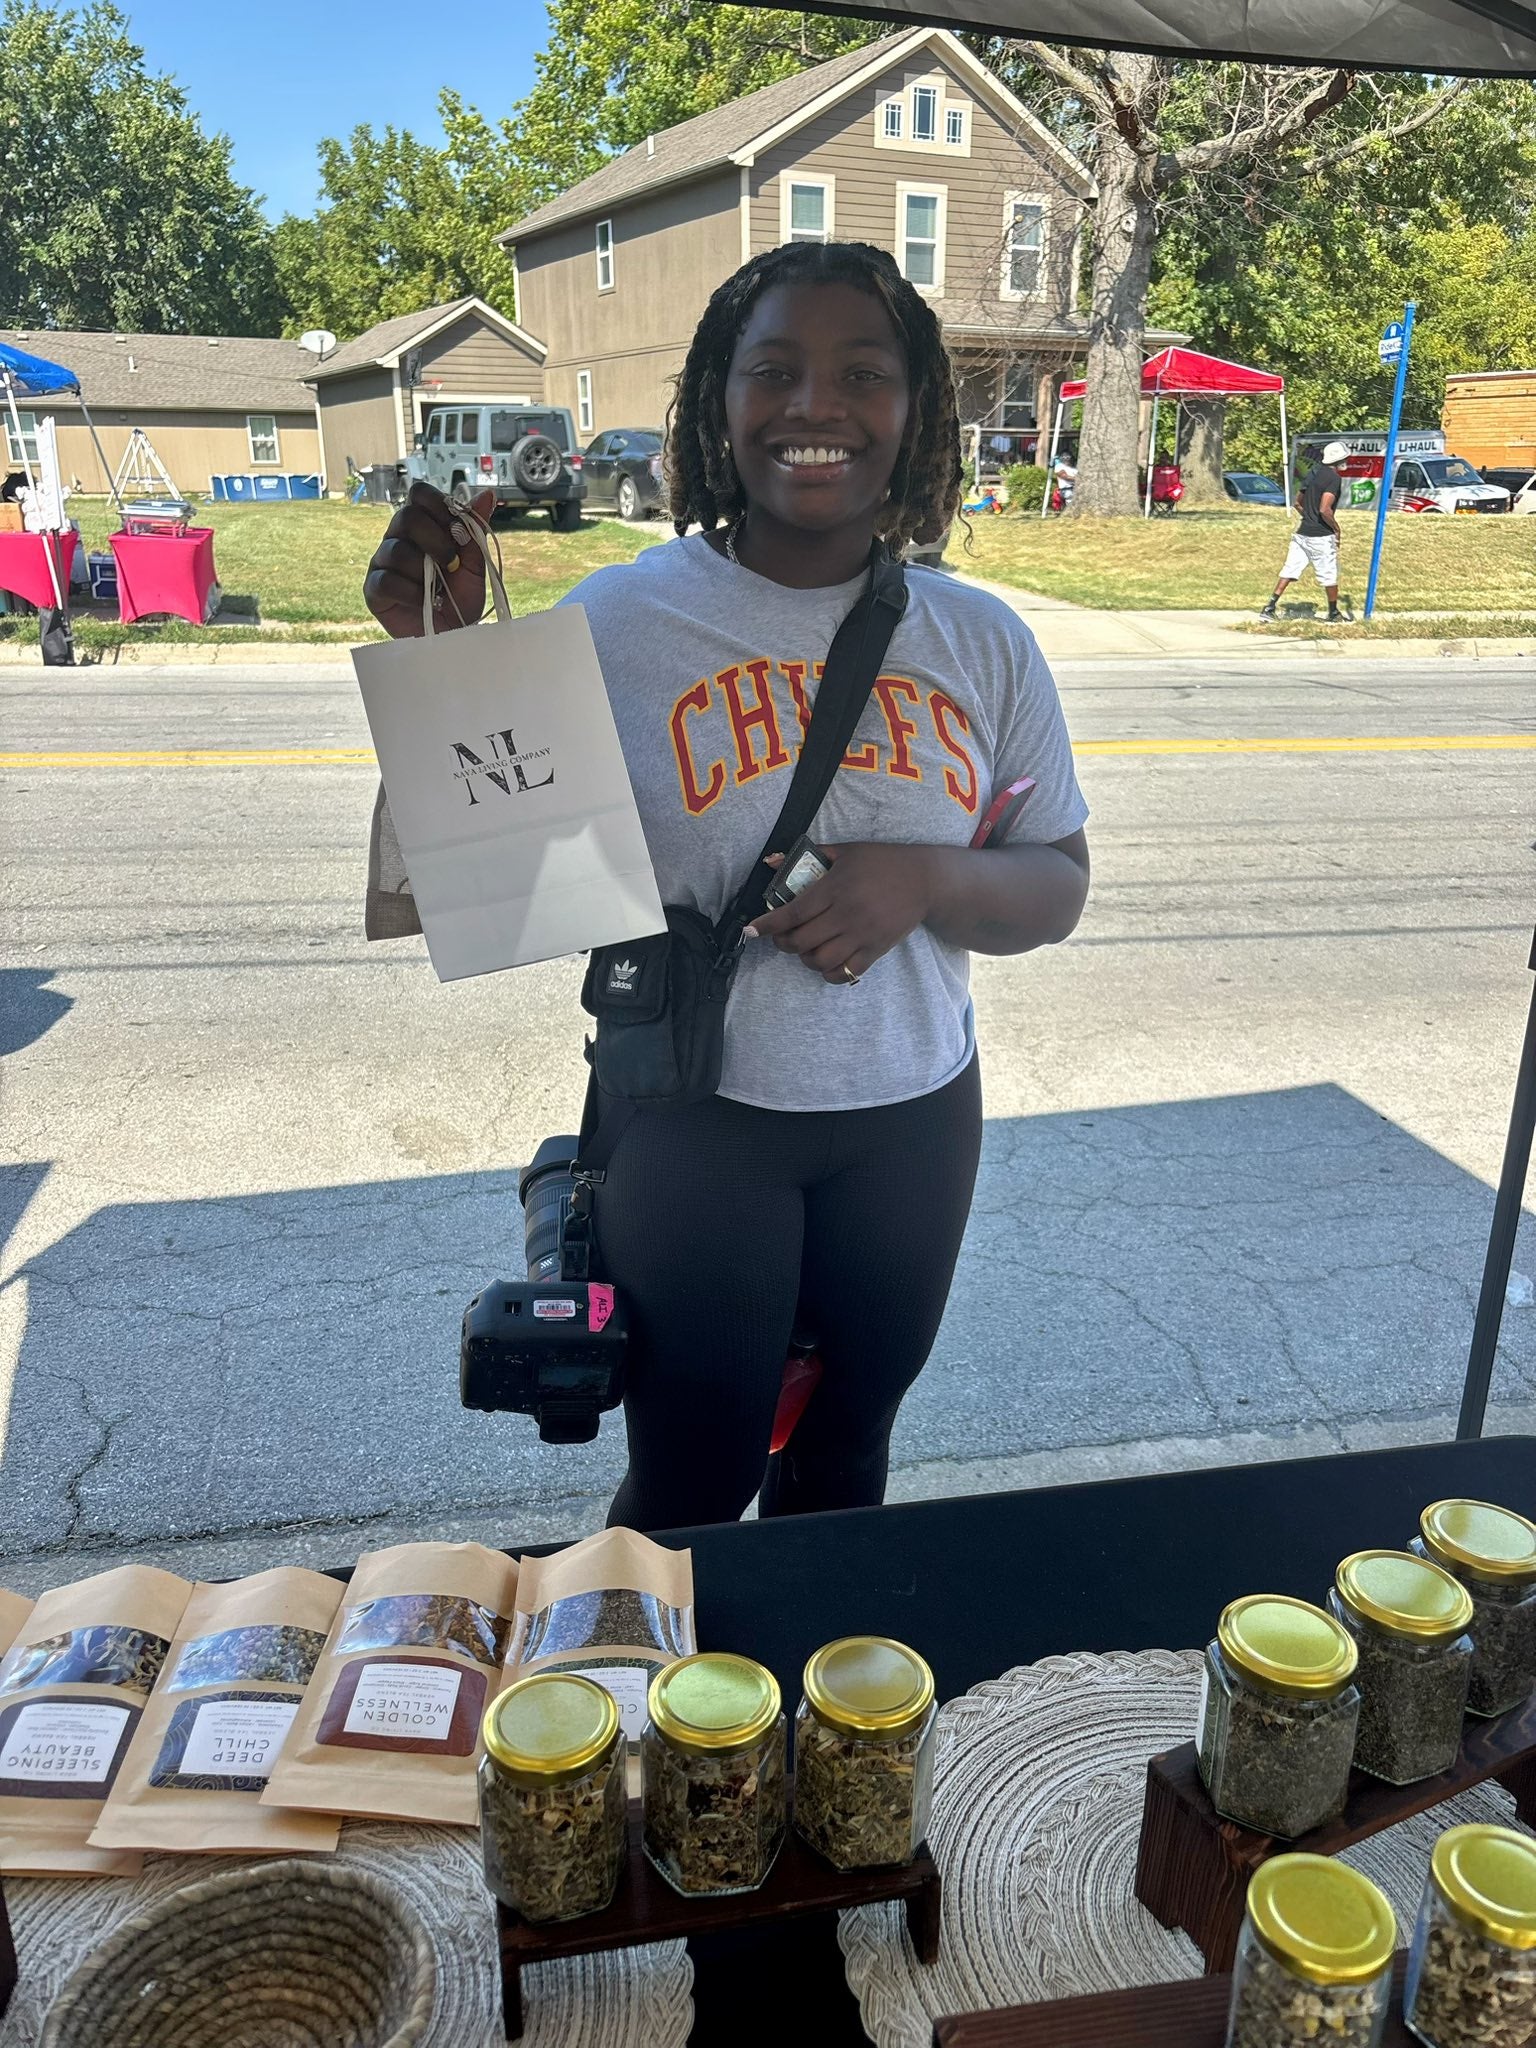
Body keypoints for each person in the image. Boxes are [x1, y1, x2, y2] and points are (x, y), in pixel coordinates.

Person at [364, 240, 1090, 1533]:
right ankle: (649, 1724)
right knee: (695, 1476)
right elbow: (491, 880)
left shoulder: (982, 640)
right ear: (718, 404)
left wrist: (923, 879)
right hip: (702, 1121)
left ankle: (822, 1730)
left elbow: (1058, 883)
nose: (817, 405)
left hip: (914, 1119)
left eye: (863, 374)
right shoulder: (622, 623)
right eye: (775, 371)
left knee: (845, 1461)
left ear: (916, 410)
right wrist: (445, 666)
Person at [1261, 440, 1349, 622]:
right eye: (1345, 457)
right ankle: (1333, 612)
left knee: (1290, 569)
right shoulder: (1334, 478)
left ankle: (1269, 607)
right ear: (1339, 460)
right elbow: (1325, 509)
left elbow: (1297, 502)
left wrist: (1308, 516)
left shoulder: (1314, 472)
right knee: (1329, 574)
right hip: (1321, 536)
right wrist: (1336, 528)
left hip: (1301, 533)